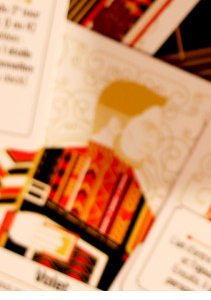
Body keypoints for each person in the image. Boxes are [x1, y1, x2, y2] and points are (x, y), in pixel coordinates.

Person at [7, 80, 168, 289]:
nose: (153, 142)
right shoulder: (39, 156)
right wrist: (10, 223)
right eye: (148, 128)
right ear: (116, 123)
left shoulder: (143, 208)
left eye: (158, 134)